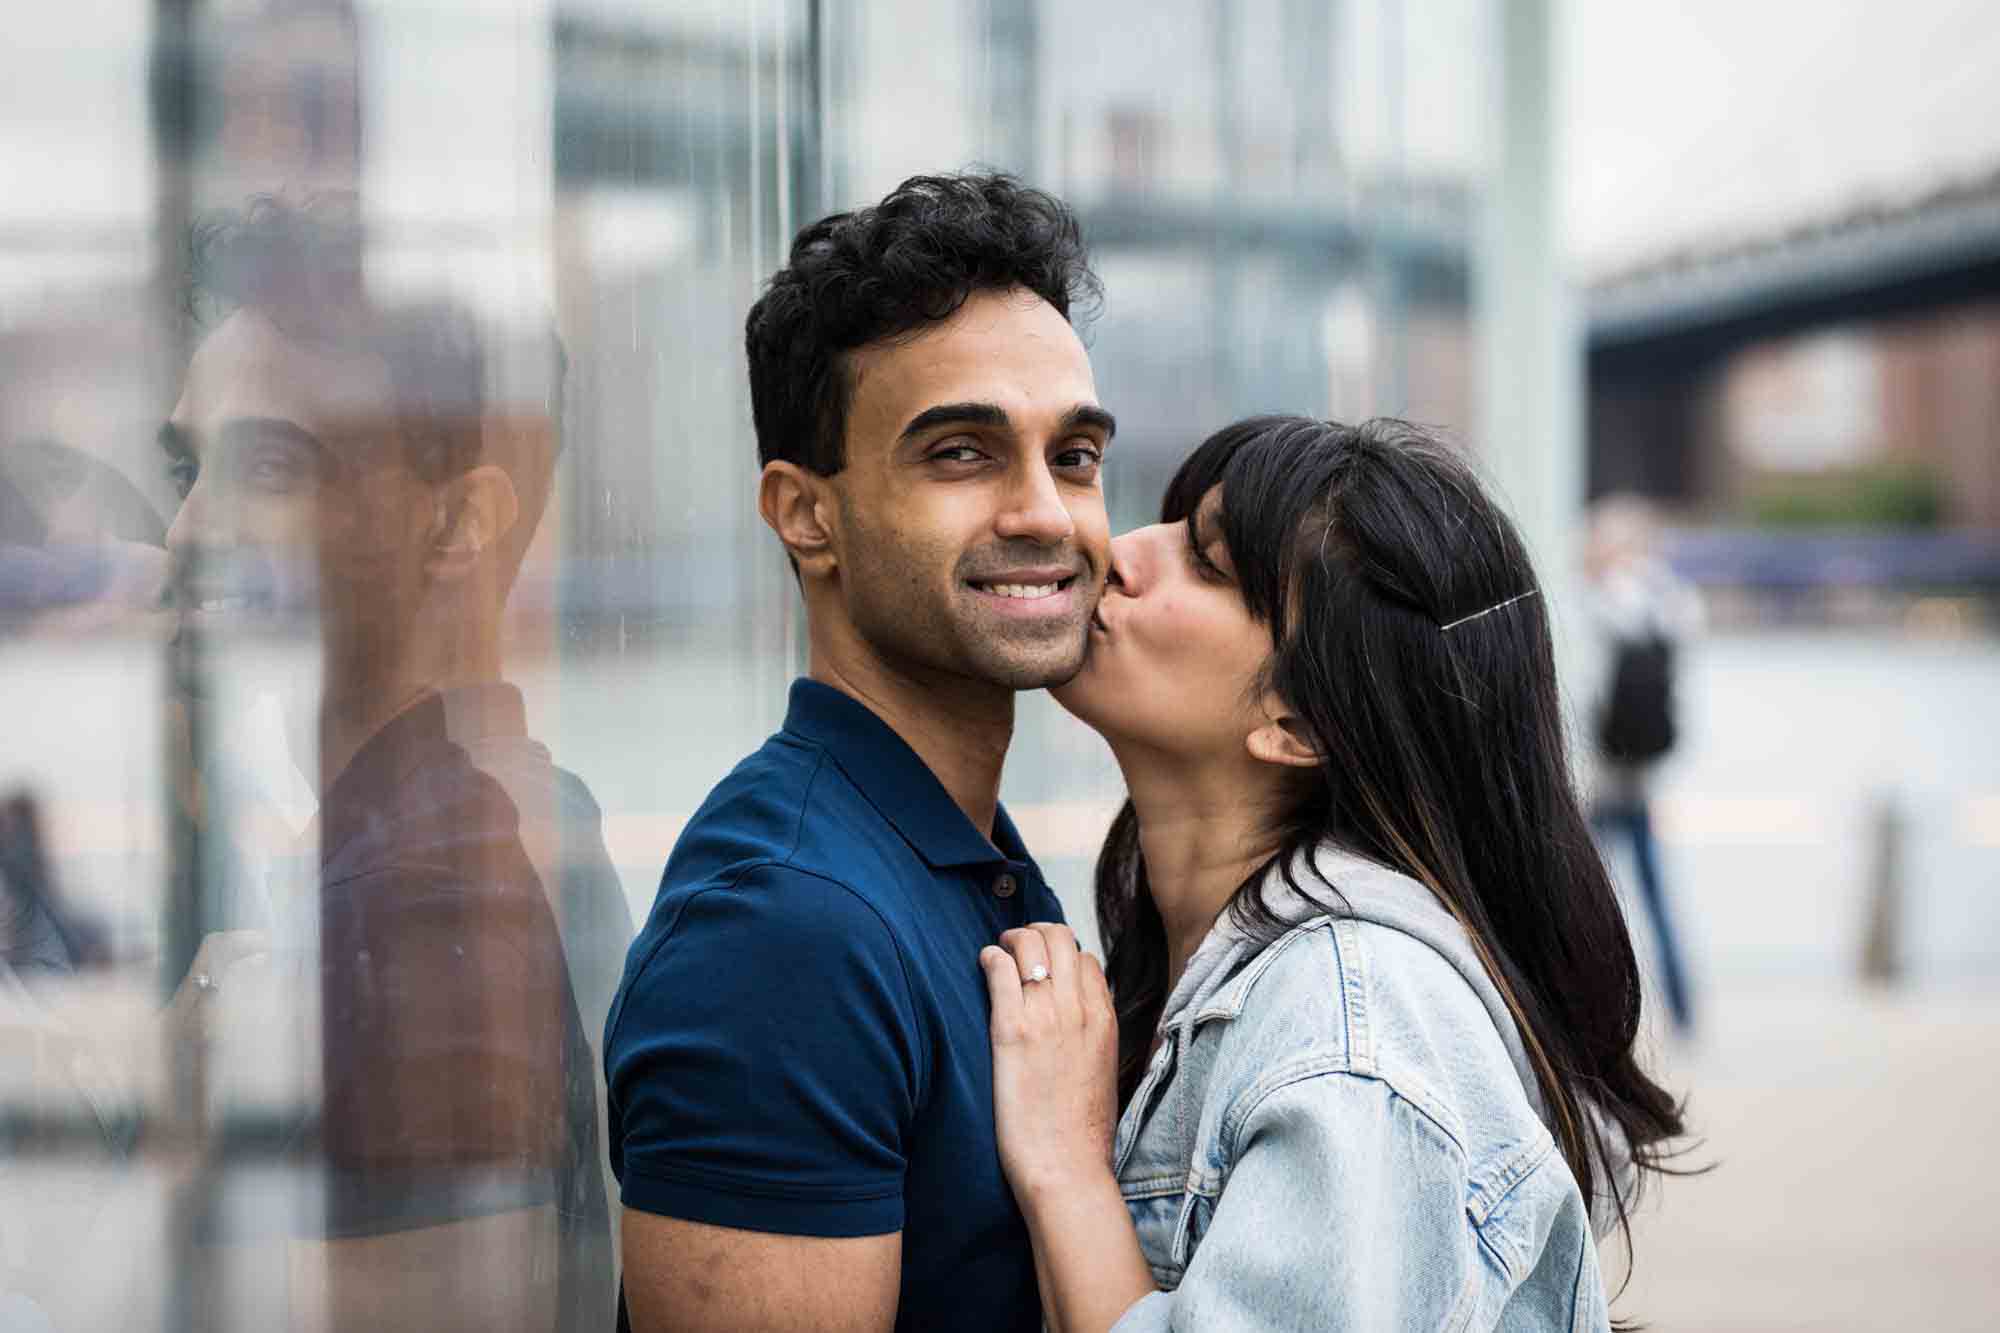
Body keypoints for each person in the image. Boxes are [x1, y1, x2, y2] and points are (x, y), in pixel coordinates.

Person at [978, 417, 1687, 1331]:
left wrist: (1065, 1164)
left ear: (1301, 724)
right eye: (1169, 522)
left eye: (1208, 563)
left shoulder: (1356, 1040)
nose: (1115, 550)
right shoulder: (1246, 982)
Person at [603, 172, 1112, 1333]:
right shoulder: (785, 929)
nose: (1043, 511)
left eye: (1072, 455)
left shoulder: (947, 848)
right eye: (960, 453)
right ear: (803, 513)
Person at [158, 194, 629, 1330]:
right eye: (187, 473)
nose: (185, 535)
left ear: (458, 524)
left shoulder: (420, 894)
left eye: (267, 466)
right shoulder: (508, 810)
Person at [1582, 494, 1702, 1035]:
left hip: (1597, 781)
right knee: (1656, 900)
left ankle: (1593, 1010)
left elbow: (1587, 692)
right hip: (1642, 777)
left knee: (1587, 900)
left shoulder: (1603, 601)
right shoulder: (1671, 601)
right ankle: (1683, 1008)